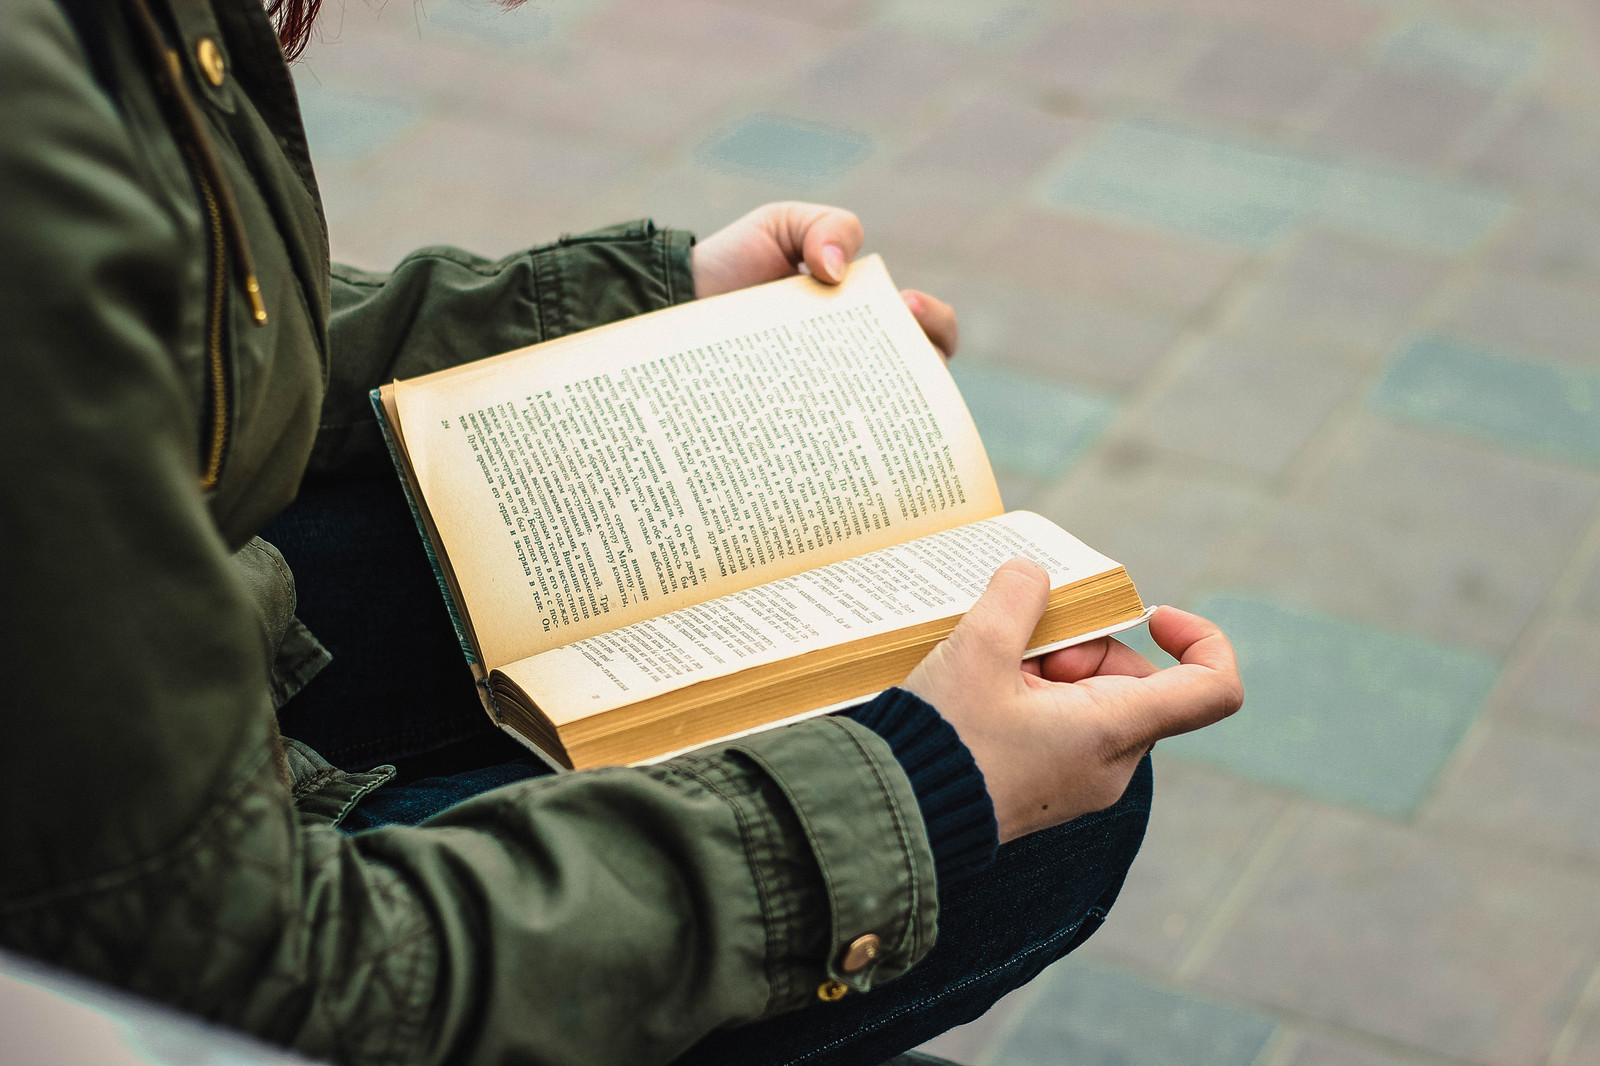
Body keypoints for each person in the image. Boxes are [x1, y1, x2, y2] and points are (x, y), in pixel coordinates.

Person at [0, 1, 1244, 1065]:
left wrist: (643, 310)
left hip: (183, 700)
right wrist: (923, 791)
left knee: (1012, 766)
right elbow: (237, 963)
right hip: (154, 956)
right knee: (1042, 828)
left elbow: (192, 329)